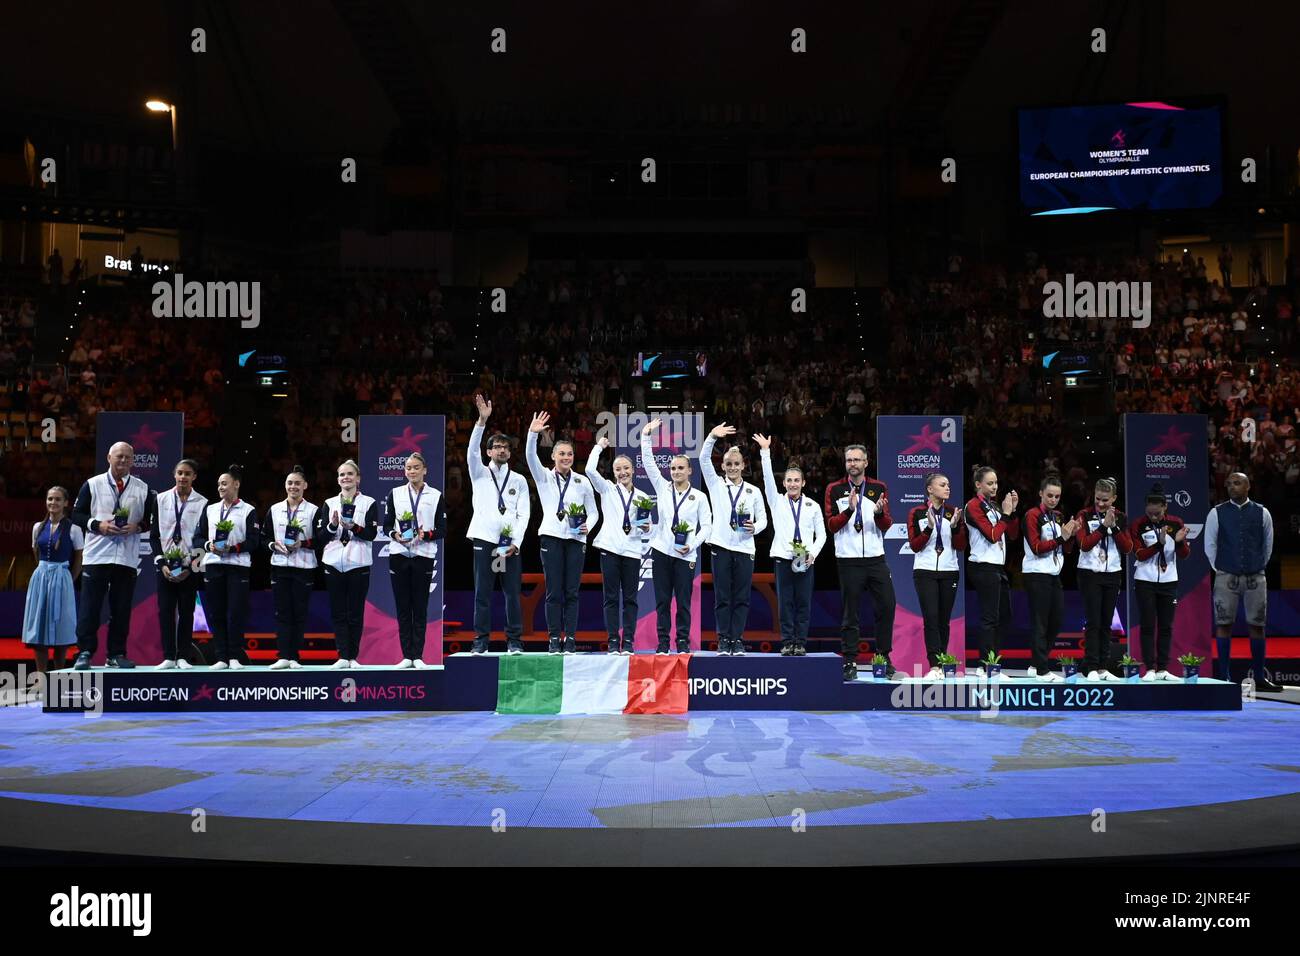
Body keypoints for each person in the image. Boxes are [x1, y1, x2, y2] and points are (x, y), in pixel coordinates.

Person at [71, 441, 155, 669]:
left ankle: (116, 654)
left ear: (133, 460)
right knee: (90, 607)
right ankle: (85, 652)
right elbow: (76, 515)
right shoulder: (93, 484)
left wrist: (138, 527)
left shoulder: (142, 488)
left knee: (121, 609)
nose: (123, 461)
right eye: (119, 456)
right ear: (109, 458)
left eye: (128, 457)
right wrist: (97, 524)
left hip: (126, 558)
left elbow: (150, 521)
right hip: (97, 555)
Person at [527, 411, 598, 654]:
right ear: (553, 456)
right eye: (561, 454)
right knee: (553, 591)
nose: (566, 457)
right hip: (551, 537)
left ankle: (571, 639)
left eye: (569, 454)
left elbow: (594, 511)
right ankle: (554, 638)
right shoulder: (544, 477)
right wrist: (532, 435)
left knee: (572, 592)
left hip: (576, 540)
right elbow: (529, 456)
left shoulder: (582, 481)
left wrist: (589, 526)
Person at [823, 444, 895, 680]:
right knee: (850, 613)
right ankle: (850, 661)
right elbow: (832, 526)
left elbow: (886, 526)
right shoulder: (834, 489)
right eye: (849, 460)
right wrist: (849, 511)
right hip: (848, 560)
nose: (852, 464)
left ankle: (883, 657)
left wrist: (878, 514)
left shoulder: (878, 487)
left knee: (887, 606)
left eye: (857, 460)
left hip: (875, 558)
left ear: (866, 462)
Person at [641, 419, 713, 653]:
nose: (676, 471)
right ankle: (663, 643)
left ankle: (682, 641)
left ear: (690, 471)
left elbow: (707, 526)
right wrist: (645, 435)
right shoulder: (663, 488)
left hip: (685, 555)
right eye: (673, 468)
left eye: (680, 468)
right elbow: (649, 463)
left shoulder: (700, 497)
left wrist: (692, 544)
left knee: (683, 603)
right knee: (662, 602)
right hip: (661, 552)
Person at [467, 395, 530, 654]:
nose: (502, 450)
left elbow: (524, 514)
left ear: (510, 452)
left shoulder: (519, 480)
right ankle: (480, 641)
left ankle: (514, 641)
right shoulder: (479, 472)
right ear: (489, 451)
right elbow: (471, 450)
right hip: (484, 540)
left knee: (512, 595)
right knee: (482, 594)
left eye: (506, 447)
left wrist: (515, 543)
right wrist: (482, 421)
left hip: (509, 547)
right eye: (497, 447)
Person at [699, 423, 769, 655]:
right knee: (722, 597)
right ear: (723, 465)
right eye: (728, 463)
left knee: (741, 598)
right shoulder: (716, 484)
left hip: (744, 548)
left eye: (736, 464)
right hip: (720, 546)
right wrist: (711, 437)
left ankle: (737, 639)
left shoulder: (753, 491)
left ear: (743, 466)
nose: (732, 467)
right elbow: (702, 459)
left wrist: (754, 528)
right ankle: (723, 640)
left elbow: (764, 520)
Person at [754, 433, 825, 657]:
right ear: (783, 483)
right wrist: (765, 451)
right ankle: (787, 642)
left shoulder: (813, 506)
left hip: (805, 559)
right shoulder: (776, 502)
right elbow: (766, 477)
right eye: (789, 480)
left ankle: (800, 642)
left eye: (797, 480)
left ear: (803, 483)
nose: (793, 484)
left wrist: (812, 554)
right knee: (785, 604)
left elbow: (821, 535)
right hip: (783, 559)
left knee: (803, 603)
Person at [1205, 471, 1277, 690]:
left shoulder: (1262, 512)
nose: (1231, 487)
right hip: (1226, 575)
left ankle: (1259, 678)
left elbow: (1268, 544)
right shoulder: (1216, 513)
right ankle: (1225, 677)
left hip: (1256, 576)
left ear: (1248, 486)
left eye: (1237, 483)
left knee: (1258, 626)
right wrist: (1221, 569)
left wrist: (1257, 567)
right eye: (1229, 484)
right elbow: (1210, 545)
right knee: (1223, 624)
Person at [381, 452, 447, 668]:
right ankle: (406, 656)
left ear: (424, 470)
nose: (412, 471)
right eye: (408, 468)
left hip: (424, 555)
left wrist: (425, 535)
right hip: (398, 554)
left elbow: (443, 529)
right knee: (402, 607)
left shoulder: (436, 495)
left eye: (416, 467)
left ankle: (417, 656)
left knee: (420, 606)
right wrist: (395, 536)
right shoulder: (395, 493)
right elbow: (388, 524)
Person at [586, 436, 649, 654]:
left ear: (633, 471)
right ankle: (613, 640)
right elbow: (590, 470)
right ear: (613, 473)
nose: (622, 472)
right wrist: (598, 447)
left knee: (631, 599)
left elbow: (644, 525)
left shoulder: (642, 497)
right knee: (611, 597)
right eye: (618, 469)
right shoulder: (606, 490)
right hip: (610, 550)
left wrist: (647, 527)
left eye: (626, 468)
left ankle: (628, 640)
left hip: (632, 551)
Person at [194, 465, 261, 669]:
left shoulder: (248, 510)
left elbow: (254, 541)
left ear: (236, 484)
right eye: (218, 484)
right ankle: (221, 657)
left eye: (224, 483)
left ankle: (234, 656)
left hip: (237, 566)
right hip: (214, 565)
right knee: (217, 613)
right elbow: (198, 537)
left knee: (235, 612)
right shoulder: (211, 510)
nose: (220, 487)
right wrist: (208, 546)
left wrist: (233, 548)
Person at [314, 460, 378, 669]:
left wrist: (354, 527)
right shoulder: (329, 503)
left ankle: (353, 657)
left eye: (350, 474)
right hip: (333, 563)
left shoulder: (369, 503)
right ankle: (342, 655)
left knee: (355, 612)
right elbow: (320, 538)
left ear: (358, 478)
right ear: (338, 479)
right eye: (342, 475)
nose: (346, 478)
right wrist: (332, 526)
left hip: (358, 563)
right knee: (338, 612)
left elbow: (371, 534)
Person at [906, 473, 967, 680]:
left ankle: (943, 663)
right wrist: (930, 527)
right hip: (925, 571)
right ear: (930, 489)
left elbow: (960, 546)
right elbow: (915, 546)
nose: (947, 488)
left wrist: (957, 526)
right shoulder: (917, 512)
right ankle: (934, 666)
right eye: (942, 485)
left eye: (948, 484)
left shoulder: (953, 513)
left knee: (944, 620)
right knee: (931, 618)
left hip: (950, 571)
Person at [1129, 484, 1191, 681]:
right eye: (1150, 511)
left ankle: (1163, 669)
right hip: (1144, 581)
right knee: (1147, 625)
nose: (1153, 515)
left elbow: (1184, 556)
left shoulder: (1176, 522)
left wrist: (1179, 542)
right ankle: (1149, 669)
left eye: (1157, 512)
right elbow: (1138, 553)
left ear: (1165, 507)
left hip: (1169, 582)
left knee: (1166, 626)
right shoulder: (1138, 524)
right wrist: (1159, 544)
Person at [150, 459, 207, 669]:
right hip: (165, 567)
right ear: (174, 475)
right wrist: (161, 563)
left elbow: (203, 539)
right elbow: (155, 536)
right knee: (165, 611)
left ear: (194, 477)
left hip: (190, 567)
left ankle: (182, 655)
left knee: (186, 612)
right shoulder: (161, 499)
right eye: (180, 473)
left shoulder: (203, 503)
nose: (183, 477)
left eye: (187, 473)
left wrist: (191, 567)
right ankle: (168, 656)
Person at [1073, 477, 1132, 680]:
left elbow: (1127, 548)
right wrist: (1102, 527)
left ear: (1114, 498)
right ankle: (1089, 667)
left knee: (1106, 623)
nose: (1100, 504)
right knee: (1094, 621)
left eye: (1105, 500)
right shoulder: (1084, 514)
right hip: (1089, 574)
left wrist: (1113, 527)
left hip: (1112, 574)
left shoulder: (1121, 518)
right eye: (1098, 499)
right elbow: (1084, 544)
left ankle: (1102, 667)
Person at [1021, 474, 1079, 682]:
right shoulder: (1032, 515)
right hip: (1036, 574)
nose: (1053, 500)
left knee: (1056, 621)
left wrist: (1071, 537)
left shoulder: (1059, 516)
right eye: (1050, 496)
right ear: (1040, 494)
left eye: (1057, 496)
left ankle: (1036, 664)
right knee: (1041, 622)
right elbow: (1036, 548)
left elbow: (1067, 549)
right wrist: (1060, 538)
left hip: (1054, 574)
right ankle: (1042, 670)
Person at [964, 465, 1019, 678]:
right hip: (982, 566)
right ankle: (987, 666)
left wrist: (1011, 511)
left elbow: (1012, 534)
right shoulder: (973, 506)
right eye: (990, 483)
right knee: (990, 618)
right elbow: (993, 535)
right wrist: (1005, 514)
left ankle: (990, 663)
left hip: (998, 567)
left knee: (1004, 617)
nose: (995, 486)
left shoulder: (995, 506)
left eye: (996, 482)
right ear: (978, 485)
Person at [22, 486, 83, 673]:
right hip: (41, 578)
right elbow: (36, 553)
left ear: (66, 503)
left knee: (60, 627)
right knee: (39, 628)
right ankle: (41, 678)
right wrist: (43, 572)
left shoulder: (74, 529)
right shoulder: (37, 528)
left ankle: (59, 674)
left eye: (57, 499)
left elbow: (79, 558)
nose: (53, 503)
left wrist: (68, 578)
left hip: (62, 578)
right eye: (50, 499)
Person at [266, 466, 319, 671]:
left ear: (305, 486)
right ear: (285, 486)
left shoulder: (314, 510)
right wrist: (273, 546)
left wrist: (302, 544)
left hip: (304, 566)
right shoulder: (275, 509)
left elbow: (320, 540)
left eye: (297, 483)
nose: (293, 486)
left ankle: (295, 657)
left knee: (299, 612)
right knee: (282, 612)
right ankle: (283, 656)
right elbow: (265, 538)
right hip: (279, 565)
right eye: (290, 483)